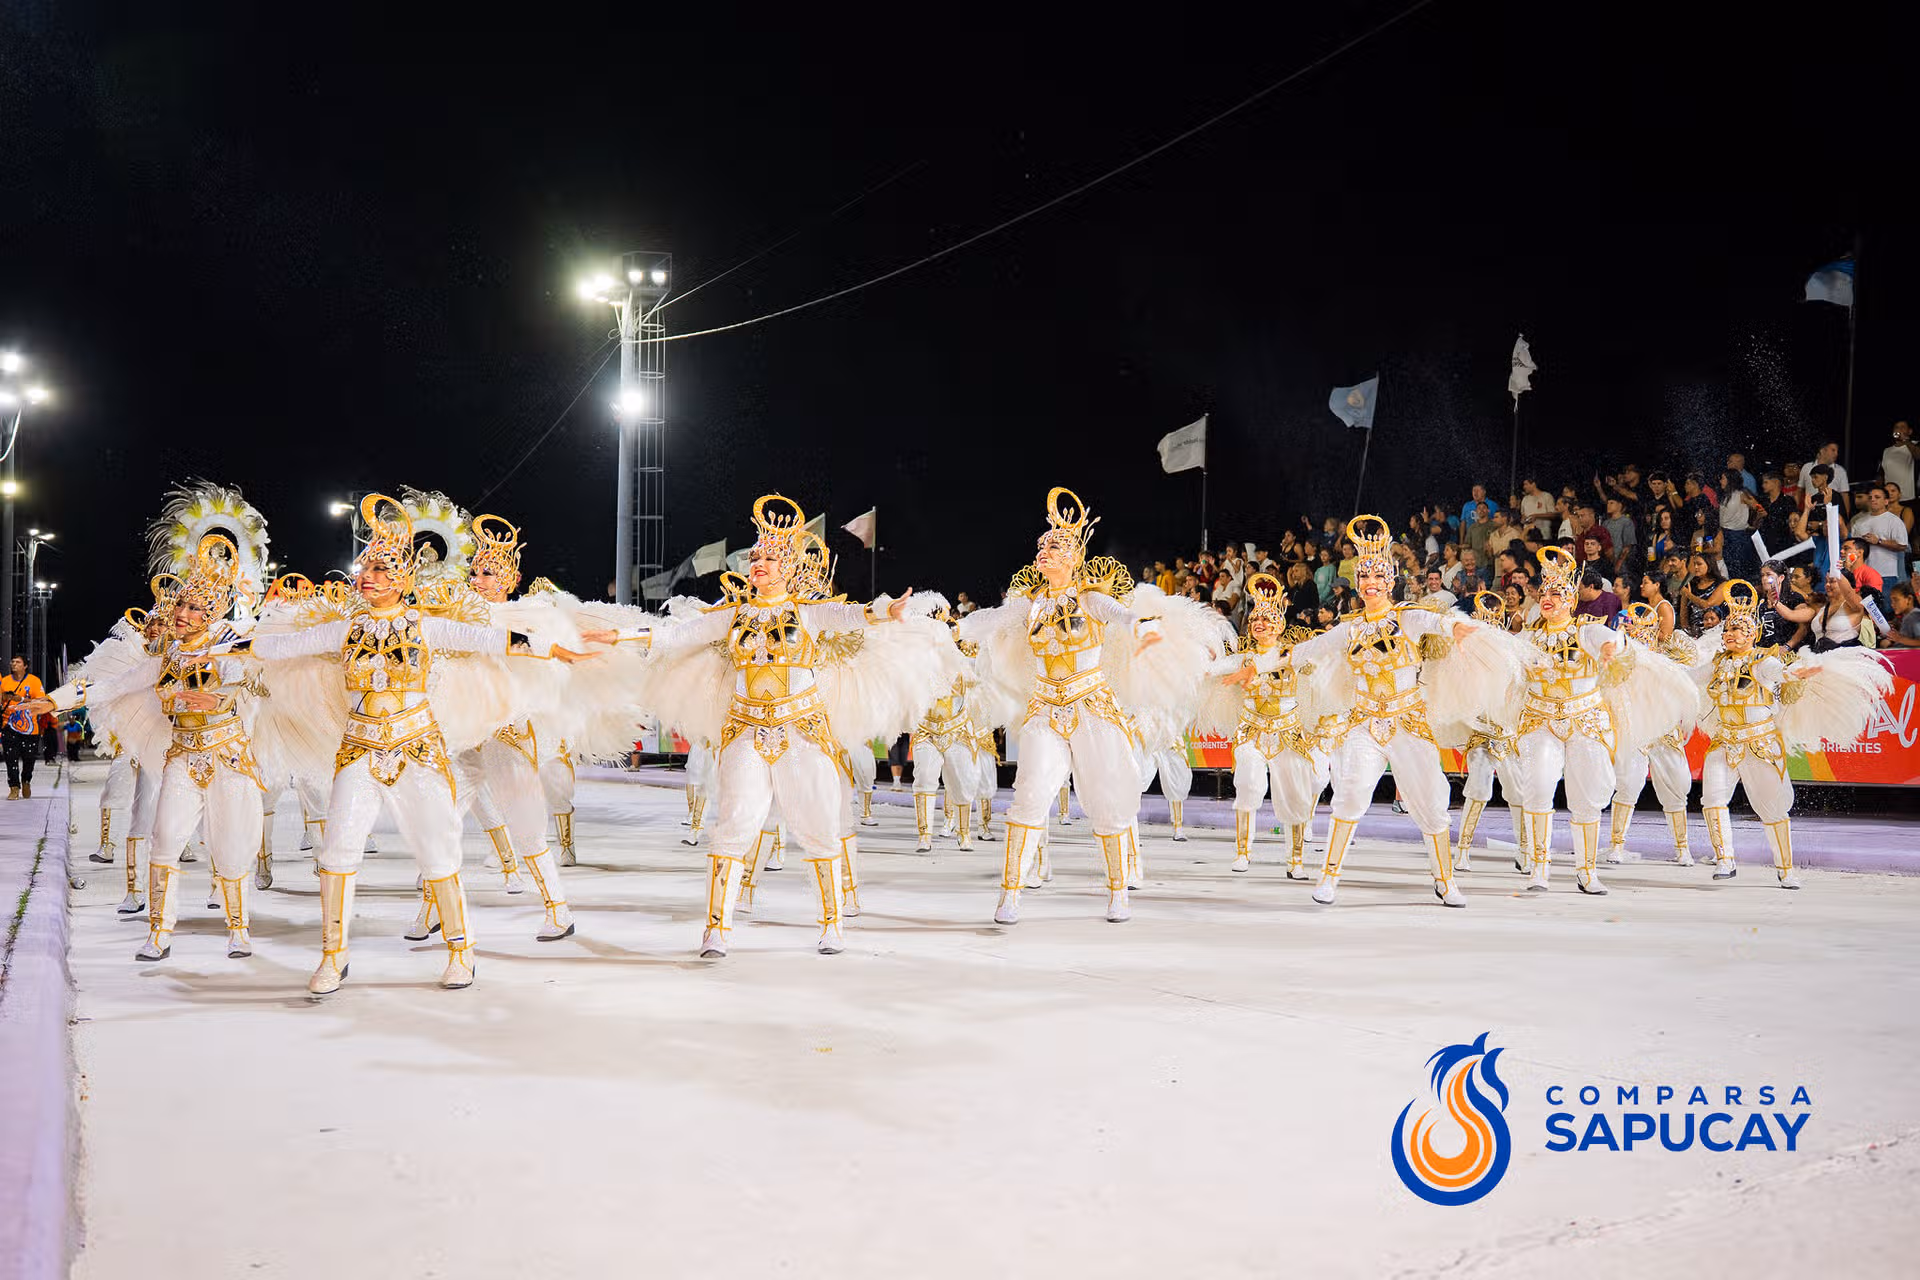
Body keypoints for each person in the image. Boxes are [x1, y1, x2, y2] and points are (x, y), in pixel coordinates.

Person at [244, 495, 591, 993]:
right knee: (337, 850)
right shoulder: (345, 629)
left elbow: (495, 640)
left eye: (381, 569)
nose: (367, 575)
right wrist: (213, 647)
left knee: (439, 849)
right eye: (366, 567)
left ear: (403, 578)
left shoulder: (427, 626)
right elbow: (276, 646)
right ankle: (332, 956)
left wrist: (556, 650)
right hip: (359, 750)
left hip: (418, 751)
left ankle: (460, 951)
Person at [1287, 515, 1510, 908]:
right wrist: (1261, 665)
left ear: (1389, 581)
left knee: (1430, 800)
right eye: (1364, 577)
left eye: (1378, 577)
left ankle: (1445, 880)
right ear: (1358, 583)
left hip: (1408, 723)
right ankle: (1328, 878)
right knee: (1350, 794)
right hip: (1364, 724)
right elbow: (1308, 650)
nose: (1370, 583)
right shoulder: (1349, 628)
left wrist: (1456, 629)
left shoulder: (1407, 616)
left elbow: (1436, 620)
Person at [972, 488, 1172, 926]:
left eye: (1055, 546)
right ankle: (1010, 893)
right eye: (1042, 545)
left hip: (1091, 707)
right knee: (1029, 795)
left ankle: (1118, 891)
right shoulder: (1030, 603)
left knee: (1106, 799)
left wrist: (1144, 627)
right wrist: (951, 630)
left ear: (1075, 556)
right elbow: (992, 620)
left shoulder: (1090, 598)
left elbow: (1123, 616)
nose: (1044, 551)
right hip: (1045, 708)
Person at [1691, 581, 1891, 887]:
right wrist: (1660, 669)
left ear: (1753, 634)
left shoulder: (1763, 661)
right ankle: (1725, 860)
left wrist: (1797, 672)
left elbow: (1781, 673)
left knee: (1772, 809)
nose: (1730, 634)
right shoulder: (1717, 664)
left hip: (1759, 744)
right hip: (1724, 742)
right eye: (1728, 629)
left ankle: (1786, 869)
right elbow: (1689, 677)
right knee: (1712, 799)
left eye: (1738, 629)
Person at [1513, 548, 1636, 895]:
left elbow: (1608, 639)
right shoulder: (1529, 637)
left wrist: (1610, 649)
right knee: (1538, 787)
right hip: (1540, 720)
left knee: (1586, 795)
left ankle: (1587, 871)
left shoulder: (1585, 631)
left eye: (1557, 593)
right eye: (1544, 592)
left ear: (1570, 599)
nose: (1548, 598)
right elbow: (1505, 658)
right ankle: (1539, 868)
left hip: (1585, 720)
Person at [1207, 575, 1322, 879]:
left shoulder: (1292, 654)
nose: (1259, 623)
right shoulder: (1243, 658)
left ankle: (1295, 860)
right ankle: (1243, 853)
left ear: (1279, 625)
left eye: (1267, 619)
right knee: (1247, 784)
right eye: (1255, 619)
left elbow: (1315, 667)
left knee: (1295, 793)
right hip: (1252, 730)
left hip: (1288, 733)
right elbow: (1211, 670)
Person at [1608, 604, 1700, 865]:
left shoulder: (1668, 661)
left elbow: (1687, 682)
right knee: (1627, 784)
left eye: (1644, 634)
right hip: (1635, 730)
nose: (1640, 639)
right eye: (1634, 634)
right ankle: (1617, 845)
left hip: (1664, 730)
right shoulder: (1620, 662)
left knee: (1676, 786)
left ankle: (1682, 847)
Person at [1450, 592, 1530, 873]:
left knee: (1517, 790)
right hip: (1481, 730)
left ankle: (1525, 850)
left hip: (1506, 730)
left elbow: (1522, 684)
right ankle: (1462, 850)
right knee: (1478, 788)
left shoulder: (1511, 649)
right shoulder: (1466, 653)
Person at [3, 656, 44, 799]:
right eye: (12, 661)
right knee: (10, 758)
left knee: (29, 758)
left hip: (30, 729)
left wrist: (20, 699)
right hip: (8, 726)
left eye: (18, 662)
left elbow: (41, 702)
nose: (14, 664)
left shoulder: (34, 681)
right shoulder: (4, 681)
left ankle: (26, 781)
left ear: (25, 666)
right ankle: (14, 787)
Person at [1850, 484, 1908, 582]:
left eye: (1877, 497)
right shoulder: (1859, 522)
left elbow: (1902, 546)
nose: (1873, 499)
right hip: (1862, 575)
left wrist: (1879, 541)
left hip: (1885, 574)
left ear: (1886, 501)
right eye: (1870, 498)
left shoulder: (1894, 521)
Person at [1759, 561, 1812, 651]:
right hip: (1766, 652)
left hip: (1789, 652)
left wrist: (1787, 646)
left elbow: (1804, 628)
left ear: (1781, 578)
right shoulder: (1761, 603)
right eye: (1762, 575)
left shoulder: (1795, 598)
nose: (1764, 578)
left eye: (1768, 575)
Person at [1719, 468, 1759, 581]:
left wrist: (1754, 523)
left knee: (1739, 566)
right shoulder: (1726, 495)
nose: (1720, 481)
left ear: (1730, 480)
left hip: (1737, 535)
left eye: (1723, 478)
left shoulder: (1742, 494)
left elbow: (1758, 508)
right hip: (1725, 533)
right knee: (1729, 565)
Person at [1809, 571, 1865, 651]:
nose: (1827, 585)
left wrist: (1836, 570)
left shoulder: (1855, 604)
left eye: (1832, 581)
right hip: (1820, 654)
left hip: (1847, 654)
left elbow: (1849, 593)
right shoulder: (1823, 607)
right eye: (1826, 581)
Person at [1680, 553, 1729, 636]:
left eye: (1699, 564)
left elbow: (1707, 605)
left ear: (1709, 565)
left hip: (1715, 632)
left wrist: (1688, 594)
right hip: (1694, 632)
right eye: (1694, 564)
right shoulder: (1690, 586)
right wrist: (1686, 631)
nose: (1696, 567)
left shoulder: (1722, 584)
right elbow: (1683, 612)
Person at [1800, 440, 1851, 513]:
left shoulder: (1840, 471)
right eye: (1833, 450)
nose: (1836, 454)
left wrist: (1846, 517)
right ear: (1822, 450)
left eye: (1815, 477)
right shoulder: (1806, 467)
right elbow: (1799, 490)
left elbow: (1845, 496)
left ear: (1825, 477)